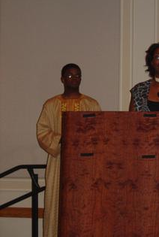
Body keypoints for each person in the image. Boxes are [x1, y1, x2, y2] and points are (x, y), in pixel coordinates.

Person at [37, 63, 101, 237]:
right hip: (59, 163)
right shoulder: (51, 105)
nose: (74, 78)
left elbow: (100, 132)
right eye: (70, 75)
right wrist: (62, 139)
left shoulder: (91, 104)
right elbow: (42, 132)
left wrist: (83, 142)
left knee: (85, 204)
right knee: (57, 204)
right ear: (62, 79)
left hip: (86, 165)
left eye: (78, 75)